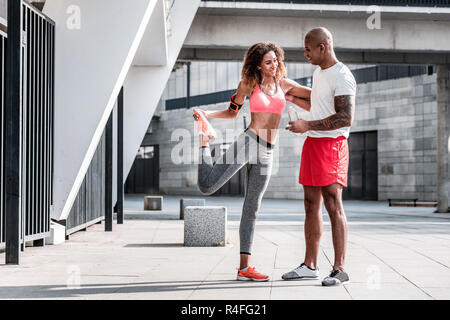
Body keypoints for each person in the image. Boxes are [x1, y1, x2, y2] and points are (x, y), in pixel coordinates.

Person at [193, 41, 311, 281]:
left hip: (268, 151)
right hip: (248, 142)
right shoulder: (249, 84)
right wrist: (207, 114)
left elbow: (313, 97)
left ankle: (244, 268)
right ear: (258, 64)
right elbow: (232, 111)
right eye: (268, 62)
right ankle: (204, 143)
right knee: (207, 186)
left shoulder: (283, 85)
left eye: (276, 60)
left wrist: (302, 102)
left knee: (252, 208)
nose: (274, 64)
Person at [283, 27, 356, 286]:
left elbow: (345, 117)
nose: (305, 53)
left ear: (322, 47)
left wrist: (307, 126)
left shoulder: (343, 75)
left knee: (333, 204)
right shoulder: (318, 72)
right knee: (310, 205)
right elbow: (319, 105)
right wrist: (292, 98)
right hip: (313, 145)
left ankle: (339, 269)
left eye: (308, 49)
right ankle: (310, 265)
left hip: (332, 145)